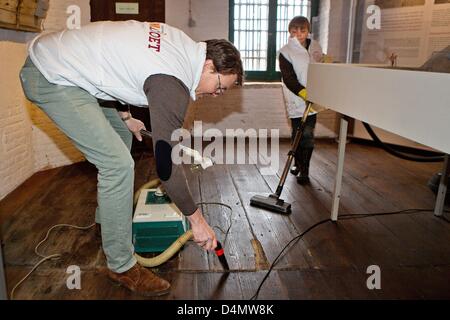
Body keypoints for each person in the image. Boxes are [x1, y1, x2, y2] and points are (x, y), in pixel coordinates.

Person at [19, 20, 243, 297]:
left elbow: (118, 65)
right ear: (210, 66)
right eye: (220, 87)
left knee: (122, 139)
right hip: (51, 76)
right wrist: (197, 221)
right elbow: (166, 166)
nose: (215, 94)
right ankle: (121, 266)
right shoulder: (172, 83)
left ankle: (108, 224)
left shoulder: (183, 45)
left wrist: (125, 117)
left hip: (71, 70)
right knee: (117, 165)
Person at [279, 16, 323, 184]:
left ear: (308, 30)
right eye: (294, 30)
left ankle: (305, 170)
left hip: (314, 99)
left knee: (308, 135)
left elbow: (320, 66)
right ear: (289, 31)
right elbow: (288, 78)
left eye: (302, 30)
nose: (299, 34)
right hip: (297, 98)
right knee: (297, 134)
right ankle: (297, 163)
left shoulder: (316, 46)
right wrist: (303, 93)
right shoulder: (285, 52)